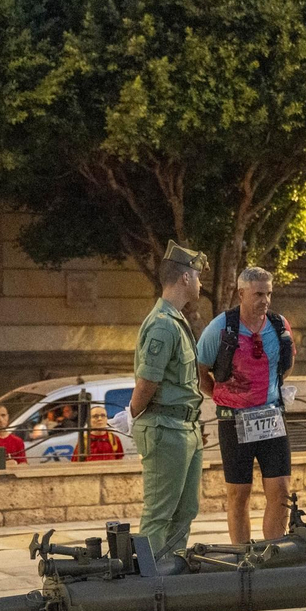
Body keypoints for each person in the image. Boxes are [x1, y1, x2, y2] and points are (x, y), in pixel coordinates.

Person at [197, 265, 297, 545]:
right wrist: (223, 397)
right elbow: (199, 371)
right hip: (234, 419)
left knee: (281, 490)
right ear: (241, 294)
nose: (265, 300)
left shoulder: (279, 325)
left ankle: (274, 552)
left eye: (268, 294)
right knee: (239, 493)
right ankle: (242, 554)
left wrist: (270, 388)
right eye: (258, 294)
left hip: (271, 416)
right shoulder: (220, 327)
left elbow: (287, 363)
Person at [129, 240, 208, 559]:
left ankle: (172, 575)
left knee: (185, 511)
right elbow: (147, 381)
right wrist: (131, 414)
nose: (201, 283)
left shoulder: (176, 319)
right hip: (165, 428)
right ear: (185, 277)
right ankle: (149, 580)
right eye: (198, 276)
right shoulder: (163, 324)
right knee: (160, 513)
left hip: (184, 428)